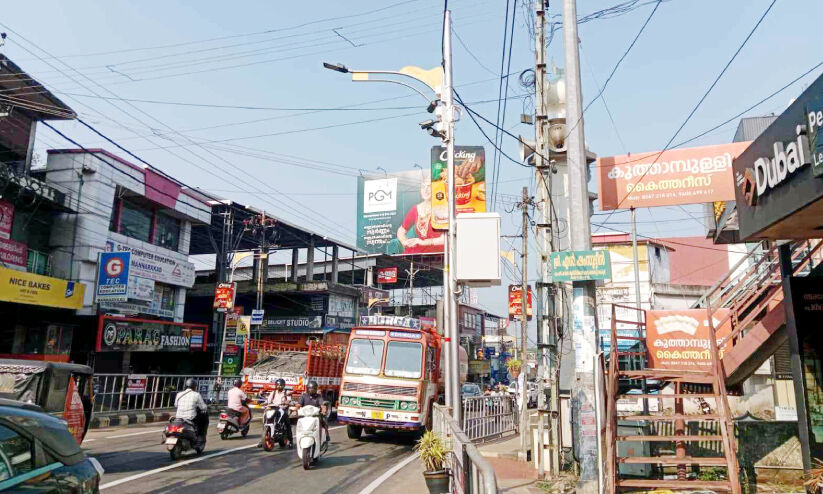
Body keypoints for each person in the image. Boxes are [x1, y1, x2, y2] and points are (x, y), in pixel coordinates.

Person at [396, 177, 444, 255]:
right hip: (420, 252)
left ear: (437, 189)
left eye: (429, 186)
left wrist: (423, 242)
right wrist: (405, 242)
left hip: (440, 253)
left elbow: (447, 239)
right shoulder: (415, 209)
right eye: (423, 187)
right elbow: (401, 230)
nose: (425, 190)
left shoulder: (443, 208)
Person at [258, 379, 293, 448]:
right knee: (265, 420)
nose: (279, 386)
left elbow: (289, 400)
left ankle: (290, 441)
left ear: (284, 385)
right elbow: (268, 400)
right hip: (273, 408)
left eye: (281, 385)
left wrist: (287, 402)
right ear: (275, 385)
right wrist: (263, 403)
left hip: (282, 409)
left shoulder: (286, 392)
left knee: (287, 424)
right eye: (278, 385)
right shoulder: (273, 392)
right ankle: (262, 439)